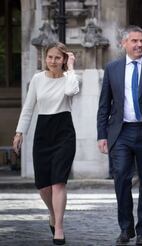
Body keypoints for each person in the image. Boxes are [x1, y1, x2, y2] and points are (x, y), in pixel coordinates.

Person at [96, 25, 142, 246]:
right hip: (121, 133)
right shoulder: (113, 68)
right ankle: (125, 228)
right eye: (135, 41)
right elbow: (104, 104)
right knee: (121, 178)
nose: (140, 45)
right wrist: (102, 134)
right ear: (124, 43)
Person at [12, 42, 78, 245]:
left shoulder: (70, 78)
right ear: (45, 58)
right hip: (43, 132)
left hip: (64, 131)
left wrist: (72, 67)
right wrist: (19, 132)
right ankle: (52, 212)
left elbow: (71, 91)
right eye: (50, 57)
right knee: (43, 185)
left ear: (64, 59)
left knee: (58, 181)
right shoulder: (37, 79)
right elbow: (28, 107)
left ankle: (59, 227)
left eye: (58, 57)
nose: (53, 61)